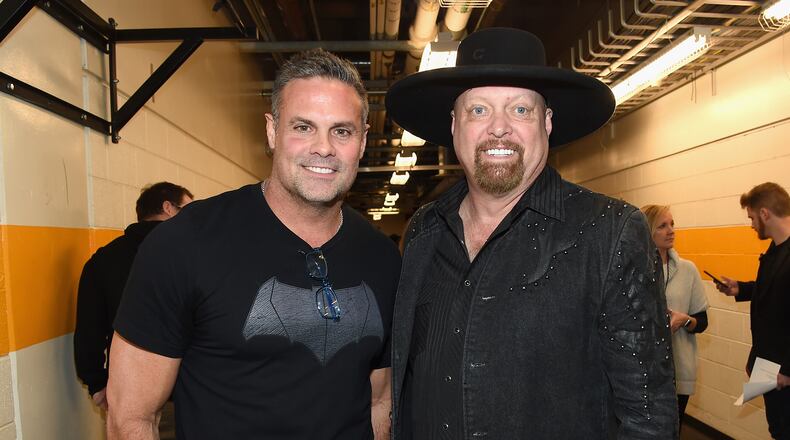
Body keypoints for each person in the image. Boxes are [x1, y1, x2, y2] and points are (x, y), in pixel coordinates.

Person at [385, 27, 677, 439]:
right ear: (455, 125)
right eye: (479, 110)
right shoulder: (424, 230)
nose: (499, 129)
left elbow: (649, 416)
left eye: (520, 110)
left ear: (548, 122)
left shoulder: (610, 233)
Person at [106, 49, 401, 440]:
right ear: (271, 131)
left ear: (362, 142)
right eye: (303, 127)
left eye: (342, 131)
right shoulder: (186, 243)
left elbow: (380, 402)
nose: (324, 148)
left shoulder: (383, 258)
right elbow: (131, 417)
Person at [74, 181, 193, 410]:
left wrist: (96, 383)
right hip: (192, 388)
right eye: (187, 209)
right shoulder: (191, 252)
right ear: (168, 208)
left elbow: (90, 329)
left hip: (129, 390)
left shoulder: (103, 260)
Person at [713, 182, 790, 440]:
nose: (752, 225)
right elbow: (775, 290)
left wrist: (788, 371)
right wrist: (741, 289)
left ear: (765, 213)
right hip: (769, 367)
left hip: (784, 372)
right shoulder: (775, 249)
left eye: (752, 217)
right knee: (778, 429)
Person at [641, 204, 708, 428]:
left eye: (672, 224)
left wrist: (685, 320)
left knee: (673, 431)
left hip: (678, 369)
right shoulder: (632, 271)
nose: (671, 230)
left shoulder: (688, 270)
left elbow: (702, 322)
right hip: (642, 370)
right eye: (662, 226)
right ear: (647, 231)